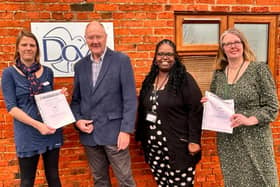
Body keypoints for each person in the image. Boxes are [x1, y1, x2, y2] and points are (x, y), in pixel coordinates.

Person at [201, 28, 279, 186]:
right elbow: (218, 103)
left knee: (263, 181)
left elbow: (272, 107)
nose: (233, 46)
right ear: (223, 49)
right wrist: (209, 104)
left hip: (255, 139)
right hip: (228, 140)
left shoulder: (259, 70)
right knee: (234, 182)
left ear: (243, 44)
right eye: (227, 44)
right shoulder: (219, 75)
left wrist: (250, 119)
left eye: (236, 42)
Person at [70, 21, 137, 187]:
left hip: (115, 134)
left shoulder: (121, 60)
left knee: (125, 181)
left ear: (106, 37)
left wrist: (126, 130)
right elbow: (76, 100)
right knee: (99, 181)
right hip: (90, 135)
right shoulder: (80, 66)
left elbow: (130, 98)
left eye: (98, 36)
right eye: (91, 37)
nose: (95, 41)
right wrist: (78, 121)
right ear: (85, 39)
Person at [135, 39, 203, 187]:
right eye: (160, 54)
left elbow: (196, 110)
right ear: (155, 58)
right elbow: (143, 109)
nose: (164, 57)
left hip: (178, 147)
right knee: (162, 184)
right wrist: (141, 136)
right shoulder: (149, 80)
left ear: (175, 58)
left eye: (168, 54)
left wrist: (194, 140)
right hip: (153, 149)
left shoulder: (184, 80)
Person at [1, 30, 64, 187]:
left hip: (50, 130)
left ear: (37, 49)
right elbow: (11, 108)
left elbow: (48, 100)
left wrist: (59, 95)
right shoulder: (8, 74)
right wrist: (38, 125)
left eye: (32, 45)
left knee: (54, 176)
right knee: (27, 181)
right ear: (18, 48)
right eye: (24, 45)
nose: (28, 48)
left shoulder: (48, 72)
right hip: (27, 132)